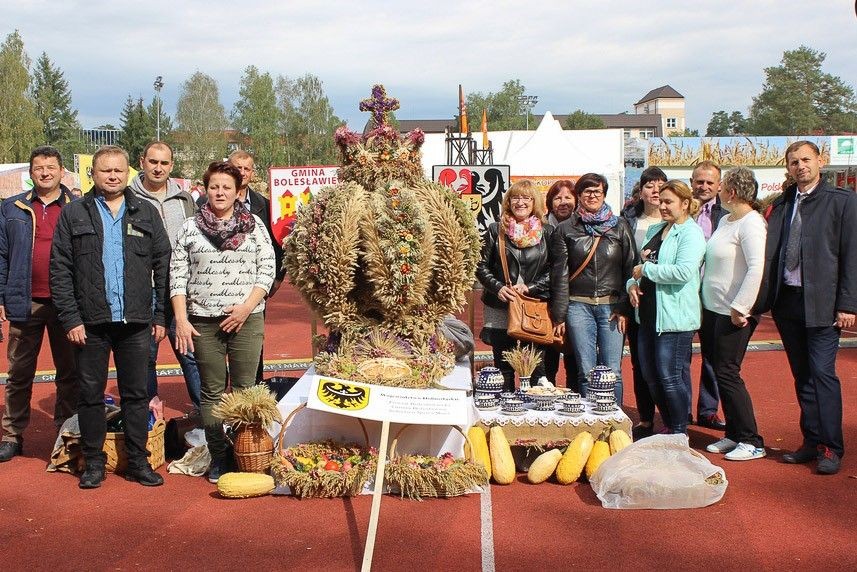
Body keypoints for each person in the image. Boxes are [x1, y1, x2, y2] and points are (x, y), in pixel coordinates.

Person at [51, 145, 170, 488]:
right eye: (106, 170)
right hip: (90, 324)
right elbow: (60, 269)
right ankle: (94, 463)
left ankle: (137, 461)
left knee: (136, 395)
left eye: (119, 170)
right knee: (90, 395)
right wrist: (71, 319)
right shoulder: (74, 213)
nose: (113, 176)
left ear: (128, 172)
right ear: (94, 174)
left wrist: (160, 315)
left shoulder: (145, 211)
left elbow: (163, 264)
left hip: (136, 322)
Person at [171, 161, 276, 483]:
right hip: (204, 322)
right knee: (212, 392)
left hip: (246, 319)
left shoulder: (254, 226)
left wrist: (246, 308)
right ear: (205, 189)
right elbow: (177, 276)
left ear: (236, 191)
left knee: (246, 390)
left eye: (226, 187)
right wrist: (181, 319)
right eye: (214, 186)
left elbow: (267, 269)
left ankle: (246, 453)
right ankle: (219, 456)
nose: (220, 192)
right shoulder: (190, 228)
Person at [758, 141, 857, 475]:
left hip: (824, 304)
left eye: (805, 160)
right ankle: (811, 441)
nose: (800, 166)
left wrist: (847, 303)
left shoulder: (842, 202)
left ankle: (831, 447)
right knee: (802, 376)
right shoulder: (782, 203)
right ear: (787, 167)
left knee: (822, 374)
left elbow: (852, 256)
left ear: (820, 161)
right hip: (787, 302)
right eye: (794, 162)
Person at [0, 146, 78, 462]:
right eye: (39, 168)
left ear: (62, 171)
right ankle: (12, 435)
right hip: (25, 301)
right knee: (19, 373)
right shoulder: (11, 208)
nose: (45, 173)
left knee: (69, 373)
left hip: (66, 303)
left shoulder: (79, 207)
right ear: (31, 173)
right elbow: (2, 255)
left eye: (50, 167)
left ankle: (66, 432)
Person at [199, 150, 285, 382]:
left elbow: (279, 242)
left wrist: (276, 278)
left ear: (252, 173)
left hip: (252, 290)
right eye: (238, 167)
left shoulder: (265, 205)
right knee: (213, 357)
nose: (243, 172)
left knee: (251, 349)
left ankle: (253, 385)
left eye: (247, 169)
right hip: (213, 290)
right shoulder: (203, 204)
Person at [627, 180, 705, 434]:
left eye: (669, 202)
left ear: (685, 204)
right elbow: (637, 270)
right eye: (661, 201)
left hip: (674, 319)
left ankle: (680, 430)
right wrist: (631, 285)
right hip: (648, 316)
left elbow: (683, 272)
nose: (662, 206)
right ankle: (671, 425)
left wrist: (646, 270)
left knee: (669, 377)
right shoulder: (656, 229)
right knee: (651, 377)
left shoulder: (691, 233)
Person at [129, 141, 201, 411]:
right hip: (145, 290)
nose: (158, 168)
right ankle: (150, 410)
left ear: (171, 165)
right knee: (146, 354)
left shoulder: (184, 200)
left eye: (164, 163)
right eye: (153, 162)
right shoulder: (128, 198)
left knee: (190, 351)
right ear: (142, 162)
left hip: (181, 290)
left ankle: (205, 410)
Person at [701, 167, 767, 461]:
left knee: (728, 372)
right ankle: (734, 434)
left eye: (723, 185)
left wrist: (742, 307)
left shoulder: (752, 223)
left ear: (732, 191)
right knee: (719, 371)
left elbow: (756, 267)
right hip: (713, 309)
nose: (719, 190)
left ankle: (752, 440)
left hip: (734, 312)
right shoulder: (725, 220)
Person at [551, 173, 636, 402]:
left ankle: (615, 419)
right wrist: (559, 315)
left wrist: (624, 307)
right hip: (578, 306)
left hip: (612, 307)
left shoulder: (620, 226)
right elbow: (560, 275)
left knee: (612, 372)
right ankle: (591, 419)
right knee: (586, 373)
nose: (592, 196)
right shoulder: (566, 229)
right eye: (587, 191)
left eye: (597, 191)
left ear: (604, 194)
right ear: (579, 196)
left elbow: (630, 267)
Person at [476, 180, 555, 392]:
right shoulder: (495, 230)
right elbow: (480, 266)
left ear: (534, 202)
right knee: (504, 367)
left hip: (532, 306)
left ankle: (535, 409)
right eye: (515, 197)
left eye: (526, 198)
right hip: (500, 305)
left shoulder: (547, 232)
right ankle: (506, 406)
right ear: (508, 202)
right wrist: (498, 287)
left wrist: (530, 287)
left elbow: (554, 270)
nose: (520, 202)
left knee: (535, 367)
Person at [621, 166, 666, 438]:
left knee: (666, 364)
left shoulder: (676, 221)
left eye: (660, 185)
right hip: (636, 299)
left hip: (667, 302)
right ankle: (646, 418)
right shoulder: (629, 220)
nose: (655, 191)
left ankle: (673, 418)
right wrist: (629, 289)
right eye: (650, 185)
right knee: (640, 363)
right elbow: (626, 262)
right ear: (641, 191)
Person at [691, 160, 726, 430]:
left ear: (719, 186)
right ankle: (679, 412)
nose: (704, 186)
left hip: (713, 296)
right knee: (678, 358)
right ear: (691, 183)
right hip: (683, 296)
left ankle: (708, 410)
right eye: (699, 181)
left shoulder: (726, 216)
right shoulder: (680, 211)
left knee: (713, 357)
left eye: (709, 182)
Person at [542, 180, 579, 389]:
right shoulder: (538, 228)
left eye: (568, 197)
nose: (563, 202)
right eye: (557, 198)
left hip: (574, 300)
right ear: (550, 202)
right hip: (545, 301)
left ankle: (575, 401)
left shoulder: (583, 227)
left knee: (575, 361)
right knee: (547, 363)